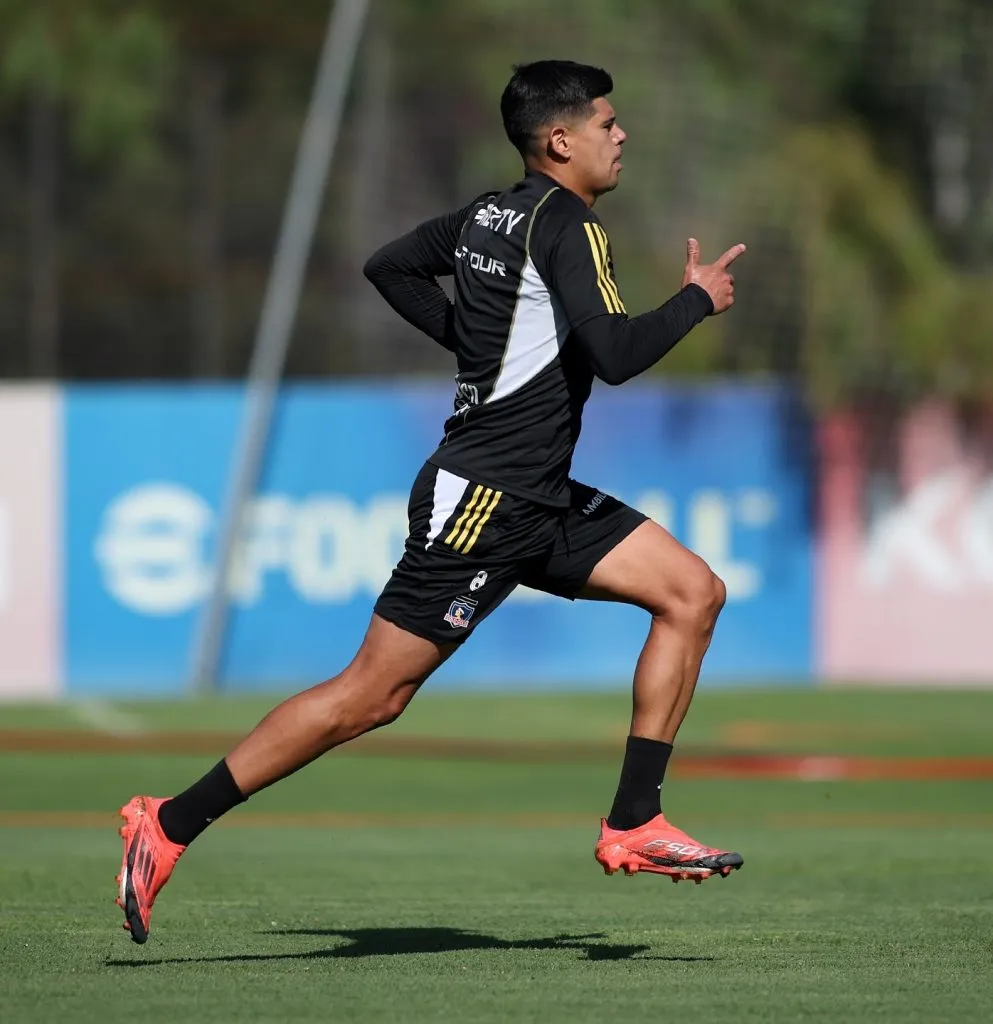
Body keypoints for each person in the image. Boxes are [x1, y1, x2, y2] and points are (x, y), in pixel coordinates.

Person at [115, 59, 745, 945]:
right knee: (368, 698)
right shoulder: (569, 226)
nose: (620, 134)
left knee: (692, 592)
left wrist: (473, 345)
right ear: (560, 141)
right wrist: (694, 301)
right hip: (485, 502)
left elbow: (391, 266)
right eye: (607, 122)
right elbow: (613, 352)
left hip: (536, 495)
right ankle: (168, 822)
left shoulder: (492, 213)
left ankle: (633, 822)